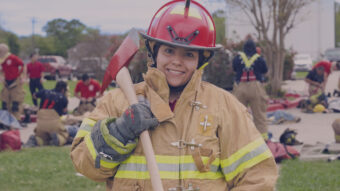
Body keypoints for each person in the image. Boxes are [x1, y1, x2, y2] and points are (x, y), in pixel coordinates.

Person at [70, 1, 278, 190]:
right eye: (169, 51)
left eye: (188, 54)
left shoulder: (224, 106)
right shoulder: (116, 101)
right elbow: (85, 165)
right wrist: (119, 132)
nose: (177, 61)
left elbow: (258, 177)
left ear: (201, 59)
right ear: (154, 51)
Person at [232, 38, 269, 140]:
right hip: (255, 87)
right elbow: (265, 70)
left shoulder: (237, 58)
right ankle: (263, 139)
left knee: (239, 115)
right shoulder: (259, 58)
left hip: (240, 87)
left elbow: (234, 69)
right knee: (259, 115)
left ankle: (239, 139)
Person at [24, 81, 69, 147]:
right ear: (63, 90)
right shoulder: (63, 98)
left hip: (41, 123)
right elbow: (64, 112)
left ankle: (36, 140)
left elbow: (34, 95)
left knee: (43, 139)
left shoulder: (44, 91)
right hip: (54, 124)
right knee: (64, 135)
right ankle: (58, 139)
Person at [0, 43, 25, 120]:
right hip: (7, 82)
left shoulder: (13, 58)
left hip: (15, 81)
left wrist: (21, 76)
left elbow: (22, 65)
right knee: (4, 103)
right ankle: (5, 120)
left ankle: (16, 120)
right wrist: (1, 76)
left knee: (15, 103)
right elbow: (1, 69)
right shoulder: (1, 60)